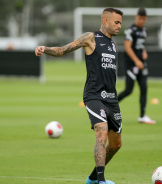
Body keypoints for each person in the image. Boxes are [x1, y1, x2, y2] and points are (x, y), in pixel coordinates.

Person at [35, 8, 123, 184]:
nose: (120, 26)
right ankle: (101, 180)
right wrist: (45, 49)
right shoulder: (90, 38)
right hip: (94, 96)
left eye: (120, 22)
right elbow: (62, 50)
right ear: (105, 21)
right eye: (116, 22)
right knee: (102, 133)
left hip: (111, 99)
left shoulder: (113, 44)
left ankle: (91, 179)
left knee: (116, 144)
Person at [118, 8, 156, 124]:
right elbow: (127, 47)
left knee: (144, 88)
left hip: (141, 64)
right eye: (140, 18)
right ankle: (108, 107)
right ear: (136, 17)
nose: (141, 21)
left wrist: (143, 52)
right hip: (131, 65)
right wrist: (136, 61)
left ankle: (142, 116)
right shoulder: (130, 30)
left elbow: (140, 45)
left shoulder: (143, 30)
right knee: (129, 90)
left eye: (143, 19)